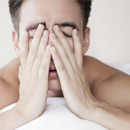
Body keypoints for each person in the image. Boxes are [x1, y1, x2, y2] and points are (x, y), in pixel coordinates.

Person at [0, 0, 130, 129]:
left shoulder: (107, 82)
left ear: (85, 40)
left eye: (65, 34)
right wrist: (21, 112)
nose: (51, 50)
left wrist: (91, 106)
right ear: (17, 43)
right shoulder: (4, 85)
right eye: (36, 36)